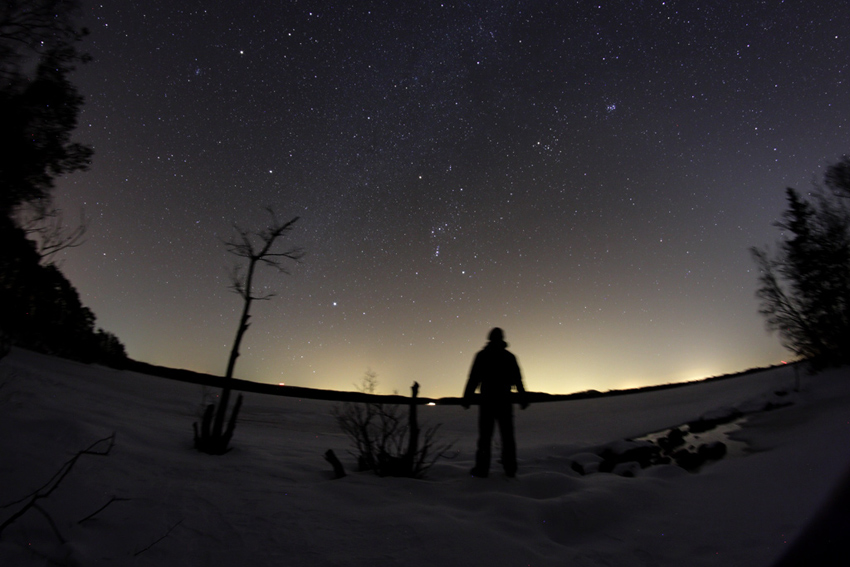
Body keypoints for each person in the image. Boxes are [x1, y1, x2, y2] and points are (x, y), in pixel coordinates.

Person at [462, 327, 528, 478]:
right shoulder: (509, 356)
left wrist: (467, 398)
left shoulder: (482, 356)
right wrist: (522, 398)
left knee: (486, 437)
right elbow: (518, 380)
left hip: (488, 401)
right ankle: (510, 469)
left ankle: (482, 469)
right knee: (507, 437)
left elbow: (473, 379)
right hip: (504, 400)